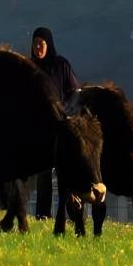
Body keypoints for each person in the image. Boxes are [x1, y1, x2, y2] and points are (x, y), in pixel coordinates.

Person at [30, 26, 80, 220]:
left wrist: (66, 111)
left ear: (48, 44)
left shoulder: (61, 65)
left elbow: (75, 92)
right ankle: (43, 215)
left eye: (40, 44)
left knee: (65, 174)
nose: (37, 48)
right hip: (41, 129)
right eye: (34, 44)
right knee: (43, 174)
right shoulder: (30, 67)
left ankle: (73, 215)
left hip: (61, 127)